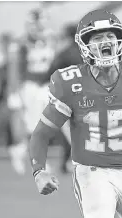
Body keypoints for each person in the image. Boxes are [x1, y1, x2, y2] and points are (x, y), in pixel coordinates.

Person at [28, 10, 122, 218]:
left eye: (110, 36)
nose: (105, 42)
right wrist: (39, 172)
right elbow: (41, 134)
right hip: (94, 175)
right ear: (84, 45)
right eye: (97, 37)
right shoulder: (70, 83)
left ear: (119, 41)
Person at [6, 8, 57, 174]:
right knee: (36, 125)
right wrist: (14, 91)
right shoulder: (20, 44)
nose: (39, 28)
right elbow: (14, 69)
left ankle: (20, 150)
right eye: (36, 24)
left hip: (46, 86)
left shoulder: (50, 40)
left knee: (45, 123)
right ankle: (38, 160)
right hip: (30, 86)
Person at [47, 24, 82, 174]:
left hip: (69, 95)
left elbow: (51, 71)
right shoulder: (85, 51)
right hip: (87, 94)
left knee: (70, 130)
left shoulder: (65, 53)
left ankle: (71, 161)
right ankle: (68, 162)